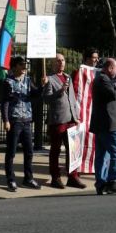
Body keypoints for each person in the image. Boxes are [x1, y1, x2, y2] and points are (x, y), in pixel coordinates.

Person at [1, 56, 46, 192]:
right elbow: (5, 102)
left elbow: (35, 94)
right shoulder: (8, 82)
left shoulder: (27, 81)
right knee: (11, 152)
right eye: (21, 64)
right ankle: (10, 179)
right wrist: (6, 120)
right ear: (14, 67)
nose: (24, 66)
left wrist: (42, 86)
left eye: (25, 64)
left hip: (26, 120)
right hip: (14, 121)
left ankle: (28, 178)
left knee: (29, 151)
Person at [43, 53, 86, 189]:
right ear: (53, 64)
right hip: (58, 120)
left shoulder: (68, 77)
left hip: (71, 120)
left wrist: (76, 117)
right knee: (55, 150)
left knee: (73, 150)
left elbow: (72, 100)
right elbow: (46, 99)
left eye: (62, 60)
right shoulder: (49, 79)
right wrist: (60, 91)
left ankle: (73, 177)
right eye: (58, 61)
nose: (61, 63)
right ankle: (55, 177)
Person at [90, 58, 116, 195]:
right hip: (108, 124)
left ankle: (101, 183)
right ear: (110, 68)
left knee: (102, 155)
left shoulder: (103, 79)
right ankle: (113, 181)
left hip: (103, 124)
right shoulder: (102, 79)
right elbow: (113, 95)